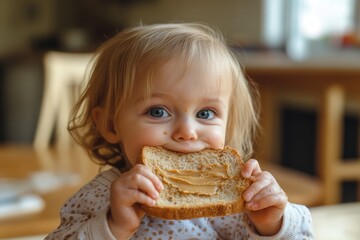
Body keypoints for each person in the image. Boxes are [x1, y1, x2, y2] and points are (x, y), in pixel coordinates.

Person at [45, 23, 314, 239]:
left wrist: (273, 225)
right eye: (157, 111)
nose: (187, 132)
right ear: (111, 125)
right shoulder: (100, 198)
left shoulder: (234, 201)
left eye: (206, 114)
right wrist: (113, 228)